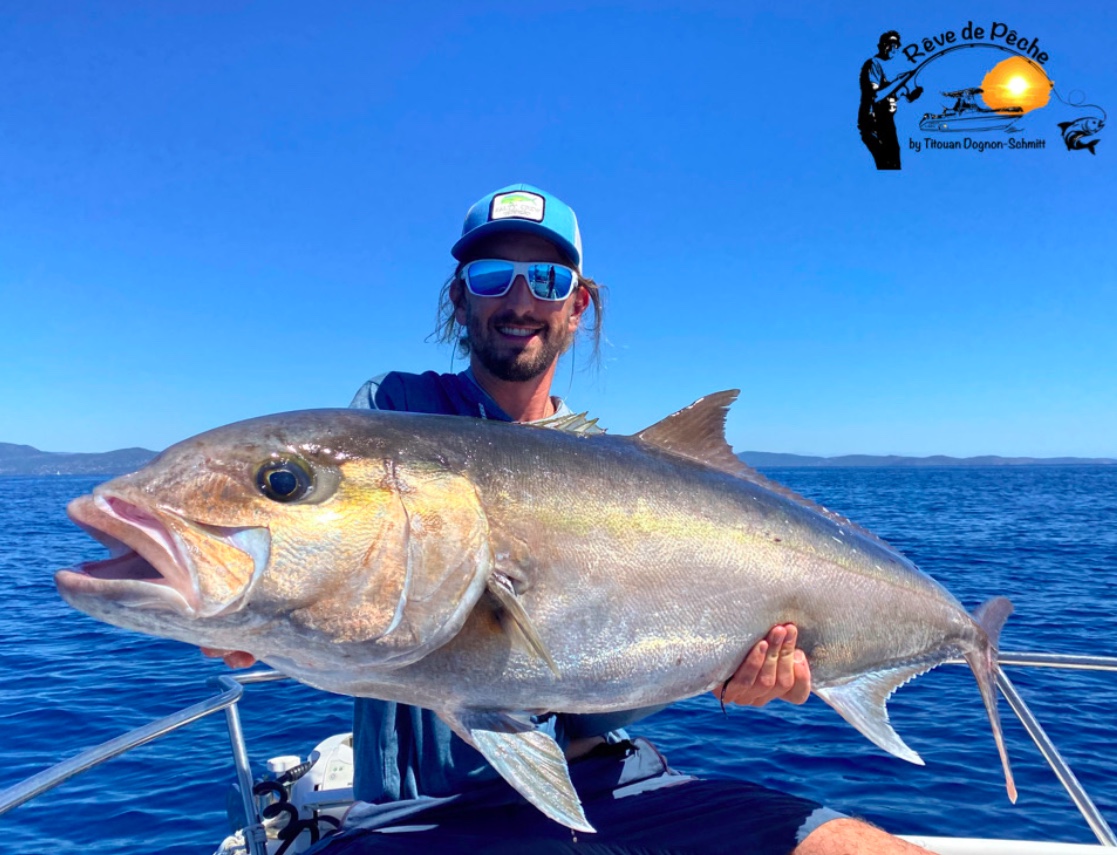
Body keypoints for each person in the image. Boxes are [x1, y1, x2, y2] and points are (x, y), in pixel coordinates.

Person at [210, 184, 928, 854]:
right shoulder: (399, 417)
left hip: (611, 780)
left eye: (547, 281)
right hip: (422, 809)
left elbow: (609, 670)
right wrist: (248, 604)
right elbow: (340, 543)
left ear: (577, 306)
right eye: (492, 277)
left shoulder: (629, 484)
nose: (519, 300)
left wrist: (727, 672)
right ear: (458, 301)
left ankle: (959, 637)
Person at [858, 31, 923, 170]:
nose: (893, 48)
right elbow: (875, 95)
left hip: (886, 123)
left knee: (893, 160)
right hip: (874, 124)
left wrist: (913, 94)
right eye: (889, 44)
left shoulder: (885, 72)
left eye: (896, 45)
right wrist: (899, 81)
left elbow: (903, 96)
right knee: (887, 162)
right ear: (881, 45)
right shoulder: (872, 64)